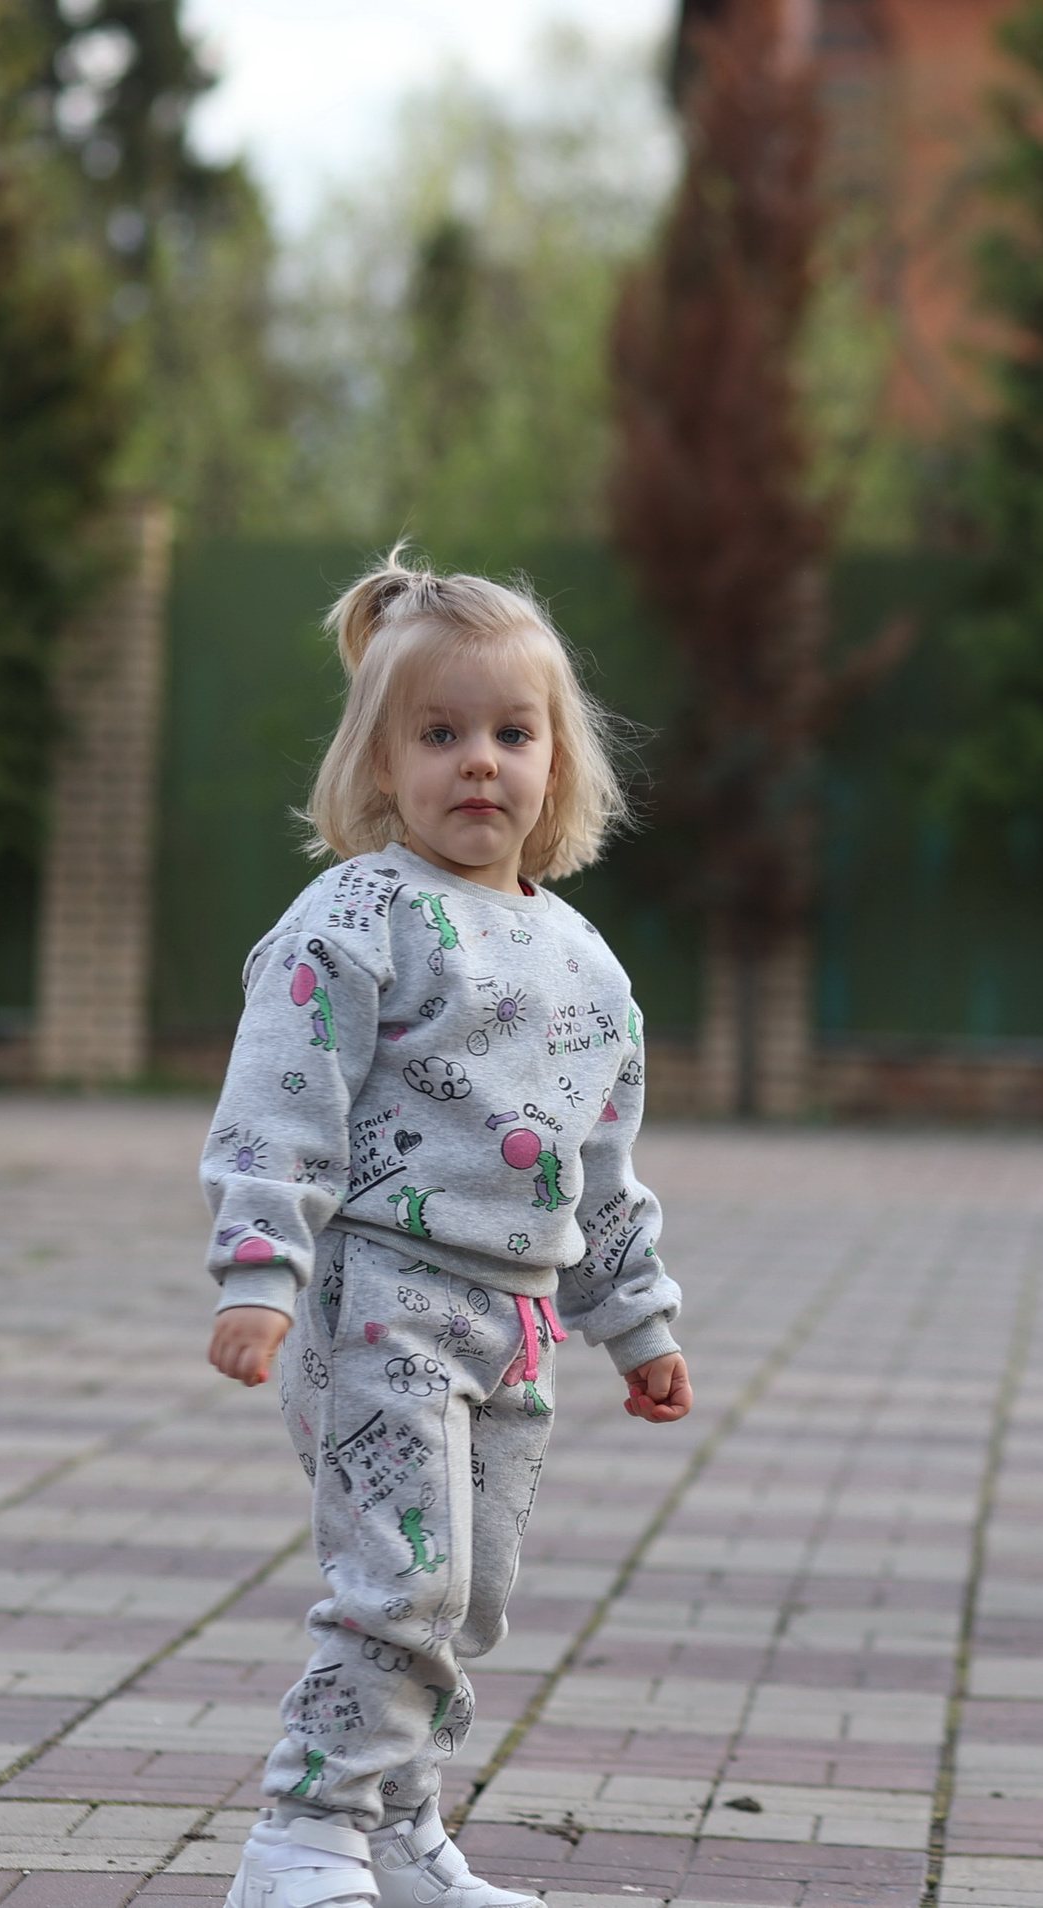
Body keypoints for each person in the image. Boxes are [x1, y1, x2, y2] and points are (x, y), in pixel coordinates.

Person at [202, 553, 691, 1908]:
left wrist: (634, 1318)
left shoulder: (586, 961)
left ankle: (401, 1837)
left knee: (466, 1597)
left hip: (516, 1322)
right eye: (440, 734)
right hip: (379, 1299)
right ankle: (300, 1838)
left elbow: (602, 1162)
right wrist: (260, 1271)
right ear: (379, 769)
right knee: (400, 1581)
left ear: (558, 762)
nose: (480, 763)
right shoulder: (356, 920)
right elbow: (279, 1104)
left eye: (511, 733)